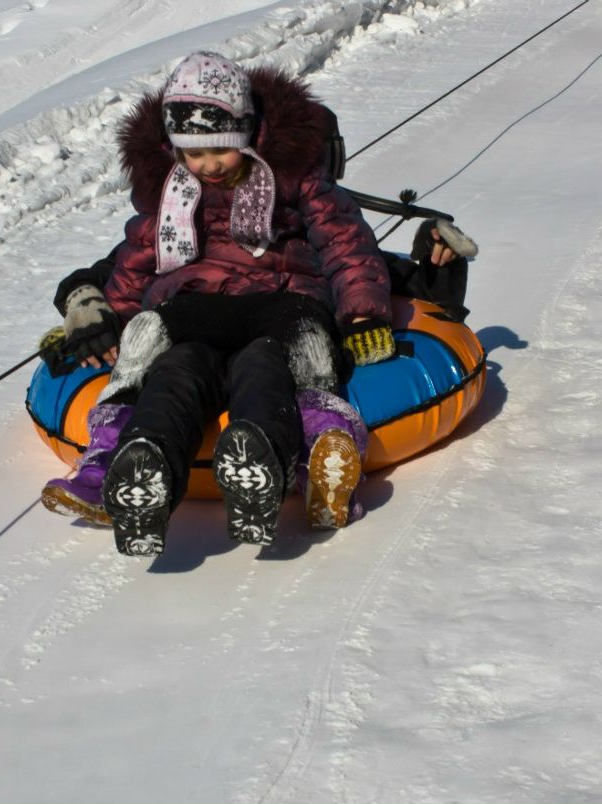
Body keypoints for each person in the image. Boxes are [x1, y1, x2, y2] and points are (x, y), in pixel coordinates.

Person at [39, 51, 475, 557]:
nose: (207, 166)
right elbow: (135, 261)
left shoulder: (293, 182)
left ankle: (272, 456)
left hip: (279, 307)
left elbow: (346, 244)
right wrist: (102, 321)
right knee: (175, 368)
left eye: (219, 150)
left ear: (245, 132)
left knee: (266, 365)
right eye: (193, 155)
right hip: (195, 312)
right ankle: (137, 464)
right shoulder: (170, 196)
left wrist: (364, 311)